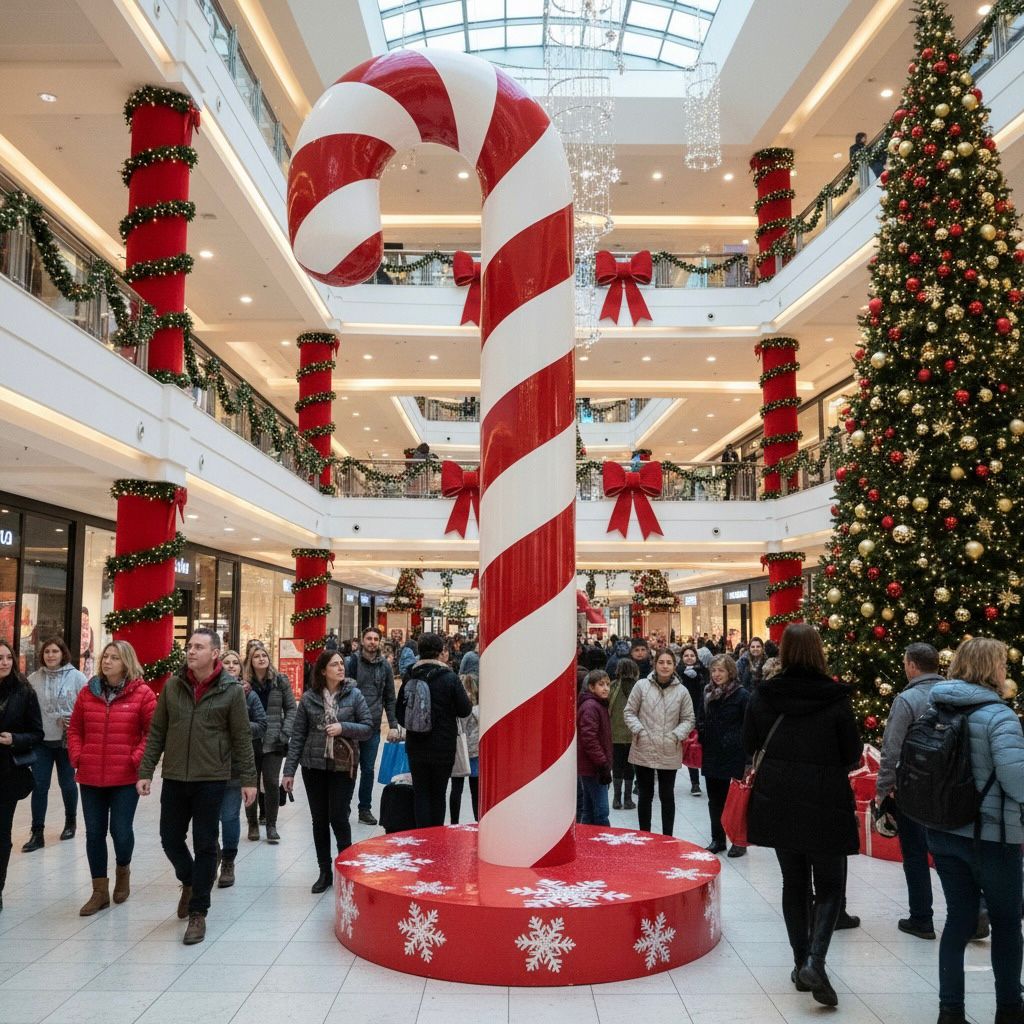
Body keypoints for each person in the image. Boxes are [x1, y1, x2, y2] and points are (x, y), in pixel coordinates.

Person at [742, 623, 860, 1007]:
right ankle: (815, 961)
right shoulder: (836, 698)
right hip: (825, 794)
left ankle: (800, 962)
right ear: (819, 651)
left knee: (793, 882)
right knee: (830, 884)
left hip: (777, 795)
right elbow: (852, 754)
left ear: (785, 652)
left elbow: (750, 741)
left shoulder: (765, 694)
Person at [923, 638, 1024, 1024]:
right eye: (1001, 664)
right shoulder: (1000, 717)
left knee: (959, 920)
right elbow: (1016, 780)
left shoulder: (936, 708)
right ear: (989, 668)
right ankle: (1010, 1009)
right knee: (1005, 922)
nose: (1005, 672)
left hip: (944, 830)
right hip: (993, 837)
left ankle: (950, 1011)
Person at [137, 629, 257, 946]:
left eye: (199, 647)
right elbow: (157, 731)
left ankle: (198, 911)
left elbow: (242, 738)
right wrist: (146, 770)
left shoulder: (231, 690)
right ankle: (190, 880)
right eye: (189, 646)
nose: (191, 651)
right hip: (176, 775)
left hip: (211, 777)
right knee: (170, 838)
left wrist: (249, 779)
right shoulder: (174, 686)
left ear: (215, 653)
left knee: (206, 843)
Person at [67, 640, 155, 915]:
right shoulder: (87, 693)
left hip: (125, 777)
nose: (107, 662)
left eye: (114, 658)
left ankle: (123, 869)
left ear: (126, 662)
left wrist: (134, 759)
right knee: (94, 833)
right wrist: (78, 757)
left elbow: (152, 733)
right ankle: (99, 891)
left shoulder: (143, 694)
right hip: (91, 775)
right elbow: (75, 730)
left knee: (120, 830)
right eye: (106, 656)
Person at [283, 649, 372, 893]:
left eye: (342, 664)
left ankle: (347, 868)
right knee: (319, 820)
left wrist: (343, 727)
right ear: (323, 670)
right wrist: (288, 771)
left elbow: (367, 728)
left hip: (343, 766)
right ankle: (324, 871)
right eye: (335, 664)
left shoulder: (354, 695)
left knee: (339, 817)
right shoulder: (309, 699)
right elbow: (298, 735)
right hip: (313, 767)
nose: (341, 668)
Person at [875, 642, 944, 940]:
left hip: (913, 788)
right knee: (949, 852)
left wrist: (883, 788)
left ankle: (921, 918)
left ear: (913, 665)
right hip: (949, 788)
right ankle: (973, 909)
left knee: (915, 853)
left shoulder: (907, 700)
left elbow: (892, 748)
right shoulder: (953, 695)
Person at [397, 632, 472, 827]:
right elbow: (465, 710)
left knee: (420, 793)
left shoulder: (409, 676)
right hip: (443, 747)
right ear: (440, 652)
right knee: (438, 794)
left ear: (419, 652)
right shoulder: (449, 677)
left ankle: (421, 836)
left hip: (416, 746)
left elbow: (399, 713)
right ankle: (435, 838)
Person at [623, 648, 695, 836]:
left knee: (667, 795)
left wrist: (675, 735)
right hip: (644, 746)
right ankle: (645, 836)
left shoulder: (682, 691)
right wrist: (639, 731)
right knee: (645, 795)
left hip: (669, 747)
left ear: (674, 666)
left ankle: (667, 837)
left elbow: (688, 718)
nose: (665, 666)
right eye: (661, 662)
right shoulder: (641, 686)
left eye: (669, 663)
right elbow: (629, 711)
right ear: (655, 664)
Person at [24, 636, 87, 850]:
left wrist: (73, 719)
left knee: (68, 784)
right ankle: (37, 832)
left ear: (63, 654)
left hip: (66, 740)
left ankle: (71, 822)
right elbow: (27, 707)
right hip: (41, 741)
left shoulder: (77, 677)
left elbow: (87, 707)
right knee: (39, 786)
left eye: (55, 651)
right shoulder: (33, 678)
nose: (50, 655)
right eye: (47, 652)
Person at [0, 640, 43, 912]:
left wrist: (14, 739)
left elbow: (37, 733)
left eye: (7, 657)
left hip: (7, 773)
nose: (4, 662)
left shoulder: (24, 691)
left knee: (1, 834)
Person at [217, 650, 266, 887]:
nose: (230, 666)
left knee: (228, 816)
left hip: (235, 764)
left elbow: (262, 724)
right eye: (226, 662)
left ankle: (228, 860)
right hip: (208, 764)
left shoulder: (249, 695)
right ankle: (212, 852)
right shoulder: (209, 692)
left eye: (235, 663)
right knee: (206, 818)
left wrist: (240, 727)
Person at [242, 644, 296, 843]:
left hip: (275, 740)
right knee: (251, 782)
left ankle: (271, 825)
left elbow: (291, 708)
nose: (261, 658)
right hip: (251, 740)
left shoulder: (280, 681)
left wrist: (285, 732)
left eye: (264, 655)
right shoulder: (244, 684)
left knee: (272, 782)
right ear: (250, 661)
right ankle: (253, 824)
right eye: (256, 656)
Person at [345, 627, 399, 826]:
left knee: (367, 769)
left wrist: (393, 724)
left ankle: (364, 808)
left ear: (380, 642)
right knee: (348, 768)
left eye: (376, 639)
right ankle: (344, 806)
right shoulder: (351, 662)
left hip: (373, 726)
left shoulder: (384, 666)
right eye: (369, 638)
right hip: (351, 725)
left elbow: (389, 698)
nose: (372, 642)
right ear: (362, 641)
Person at [701, 654, 750, 857]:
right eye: (714, 670)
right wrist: (702, 733)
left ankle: (739, 841)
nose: (717, 674)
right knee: (715, 799)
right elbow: (701, 717)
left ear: (730, 671)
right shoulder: (707, 692)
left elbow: (749, 726)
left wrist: (747, 756)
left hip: (734, 753)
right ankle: (718, 838)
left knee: (736, 800)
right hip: (713, 753)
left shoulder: (741, 695)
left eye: (721, 670)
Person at [578, 669, 613, 826]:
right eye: (601, 685)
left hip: (591, 765)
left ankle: (586, 840)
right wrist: (602, 763)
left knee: (589, 808)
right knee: (601, 810)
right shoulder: (592, 707)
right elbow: (589, 738)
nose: (605, 688)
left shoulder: (598, 704)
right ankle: (603, 841)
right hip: (594, 767)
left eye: (607, 684)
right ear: (591, 688)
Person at [609, 658, 639, 810]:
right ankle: (628, 799)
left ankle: (616, 799)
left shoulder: (613, 686)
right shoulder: (638, 687)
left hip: (615, 734)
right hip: (634, 734)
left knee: (617, 766)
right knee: (630, 767)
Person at [449, 674, 479, 823]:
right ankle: (477, 820)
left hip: (460, 750)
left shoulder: (458, 708)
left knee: (456, 788)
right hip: (476, 752)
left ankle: (454, 821)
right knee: (475, 791)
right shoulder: (481, 709)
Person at [678, 644, 708, 796]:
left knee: (697, 747)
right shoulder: (677, 673)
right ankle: (694, 783)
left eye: (692, 655)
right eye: (686, 656)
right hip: (680, 715)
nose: (689, 658)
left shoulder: (703, 672)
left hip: (698, 714)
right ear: (682, 658)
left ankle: (700, 781)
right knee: (687, 747)